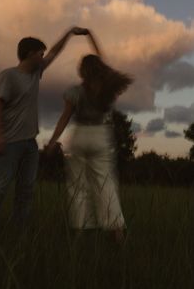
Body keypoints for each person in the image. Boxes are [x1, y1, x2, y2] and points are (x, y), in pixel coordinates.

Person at [0, 26, 88, 242]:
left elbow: (55, 52)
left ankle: (20, 234)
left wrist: (70, 32)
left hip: (29, 145)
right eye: (40, 53)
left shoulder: (36, 73)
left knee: (26, 191)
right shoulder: (8, 75)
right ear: (29, 53)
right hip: (8, 144)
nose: (43, 56)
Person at [46, 31, 132, 242]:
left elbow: (64, 118)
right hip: (101, 136)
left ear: (82, 70)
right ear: (100, 69)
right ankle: (117, 232)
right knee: (106, 184)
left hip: (79, 137)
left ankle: (80, 233)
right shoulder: (108, 88)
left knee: (78, 186)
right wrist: (91, 36)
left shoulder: (75, 91)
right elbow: (101, 56)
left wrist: (51, 142)